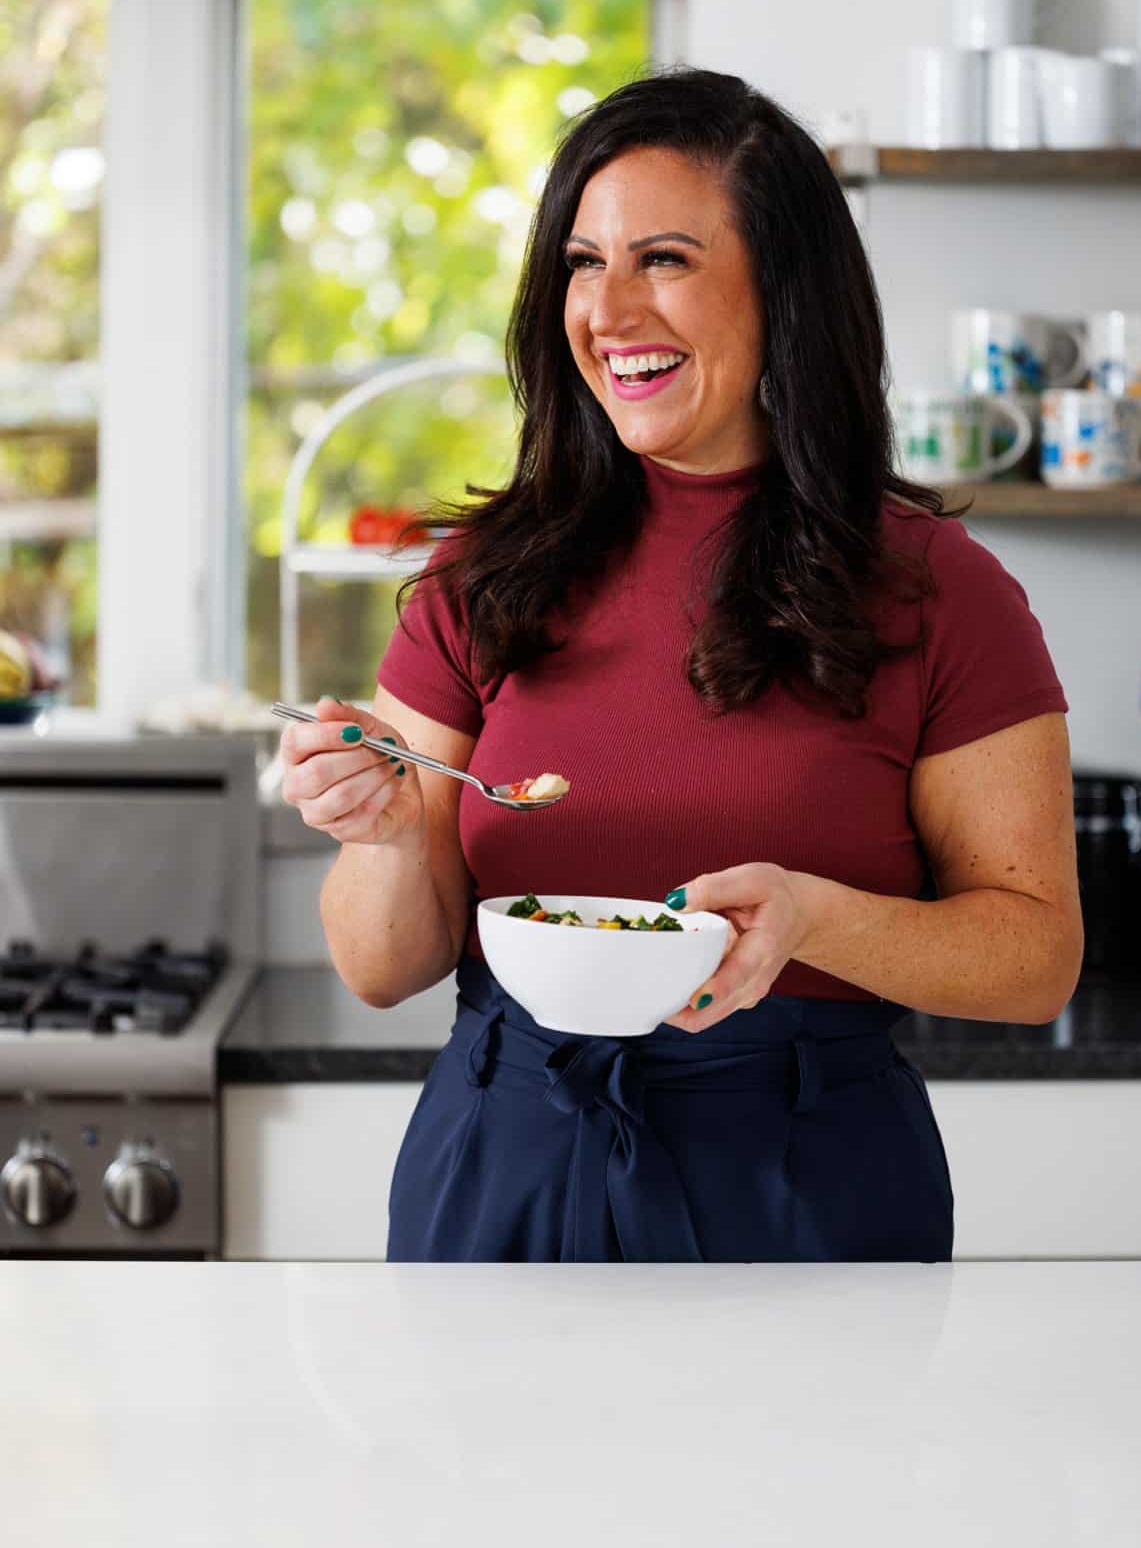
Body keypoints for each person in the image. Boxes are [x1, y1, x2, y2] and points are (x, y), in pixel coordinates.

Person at [279, 66, 1082, 1263]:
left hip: (805, 1182)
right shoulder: (483, 577)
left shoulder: (937, 586)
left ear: (784, 291)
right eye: (581, 263)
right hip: (508, 1160)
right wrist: (390, 834)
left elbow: (1034, 961)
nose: (608, 312)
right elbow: (381, 966)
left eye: (662, 258)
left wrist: (814, 918)